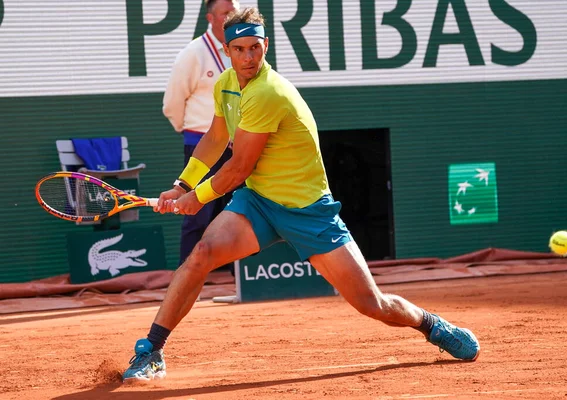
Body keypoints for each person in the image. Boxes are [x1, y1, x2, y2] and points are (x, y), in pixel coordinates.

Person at [122, 7, 480, 381]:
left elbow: (239, 166)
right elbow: (214, 140)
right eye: (239, 49)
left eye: (255, 48)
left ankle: (431, 325)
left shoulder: (267, 93)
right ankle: (152, 349)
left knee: (372, 304)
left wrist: (196, 198)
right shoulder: (225, 84)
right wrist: (182, 185)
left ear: (266, 46)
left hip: (308, 210)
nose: (248, 58)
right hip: (259, 202)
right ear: (226, 50)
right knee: (202, 254)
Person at [162, 0, 239, 267]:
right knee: (197, 213)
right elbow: (172, 103)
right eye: (225, 13)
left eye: (235, 12)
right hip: (202, 144)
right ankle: (186, 274)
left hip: (239, 146)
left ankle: (238, 276)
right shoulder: (192, 53)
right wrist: (193, 133)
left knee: (239, 211)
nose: (232, 17)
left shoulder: (242, 52)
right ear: (210, 18)